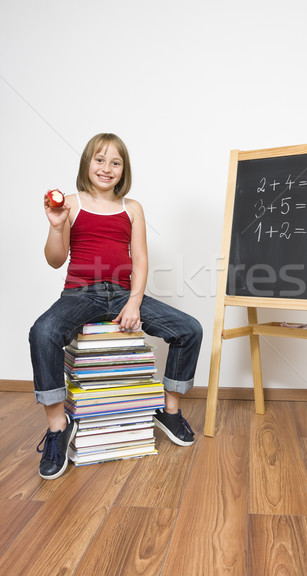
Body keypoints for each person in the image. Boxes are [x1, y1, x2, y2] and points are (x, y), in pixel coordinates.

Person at [30, 133, 203, 480]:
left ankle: (169, 411)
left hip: (125, 293)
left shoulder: (132, 208)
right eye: (99, 159)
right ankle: (56, 429)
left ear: (123, 170)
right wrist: (56, 226)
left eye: (115, 162)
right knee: (43, 332)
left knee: (190, 329)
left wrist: (135, 302)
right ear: (86, 163)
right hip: (81, 294)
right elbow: (55, 259)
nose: (106, 168)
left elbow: (139, 260)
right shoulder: (71, 203)